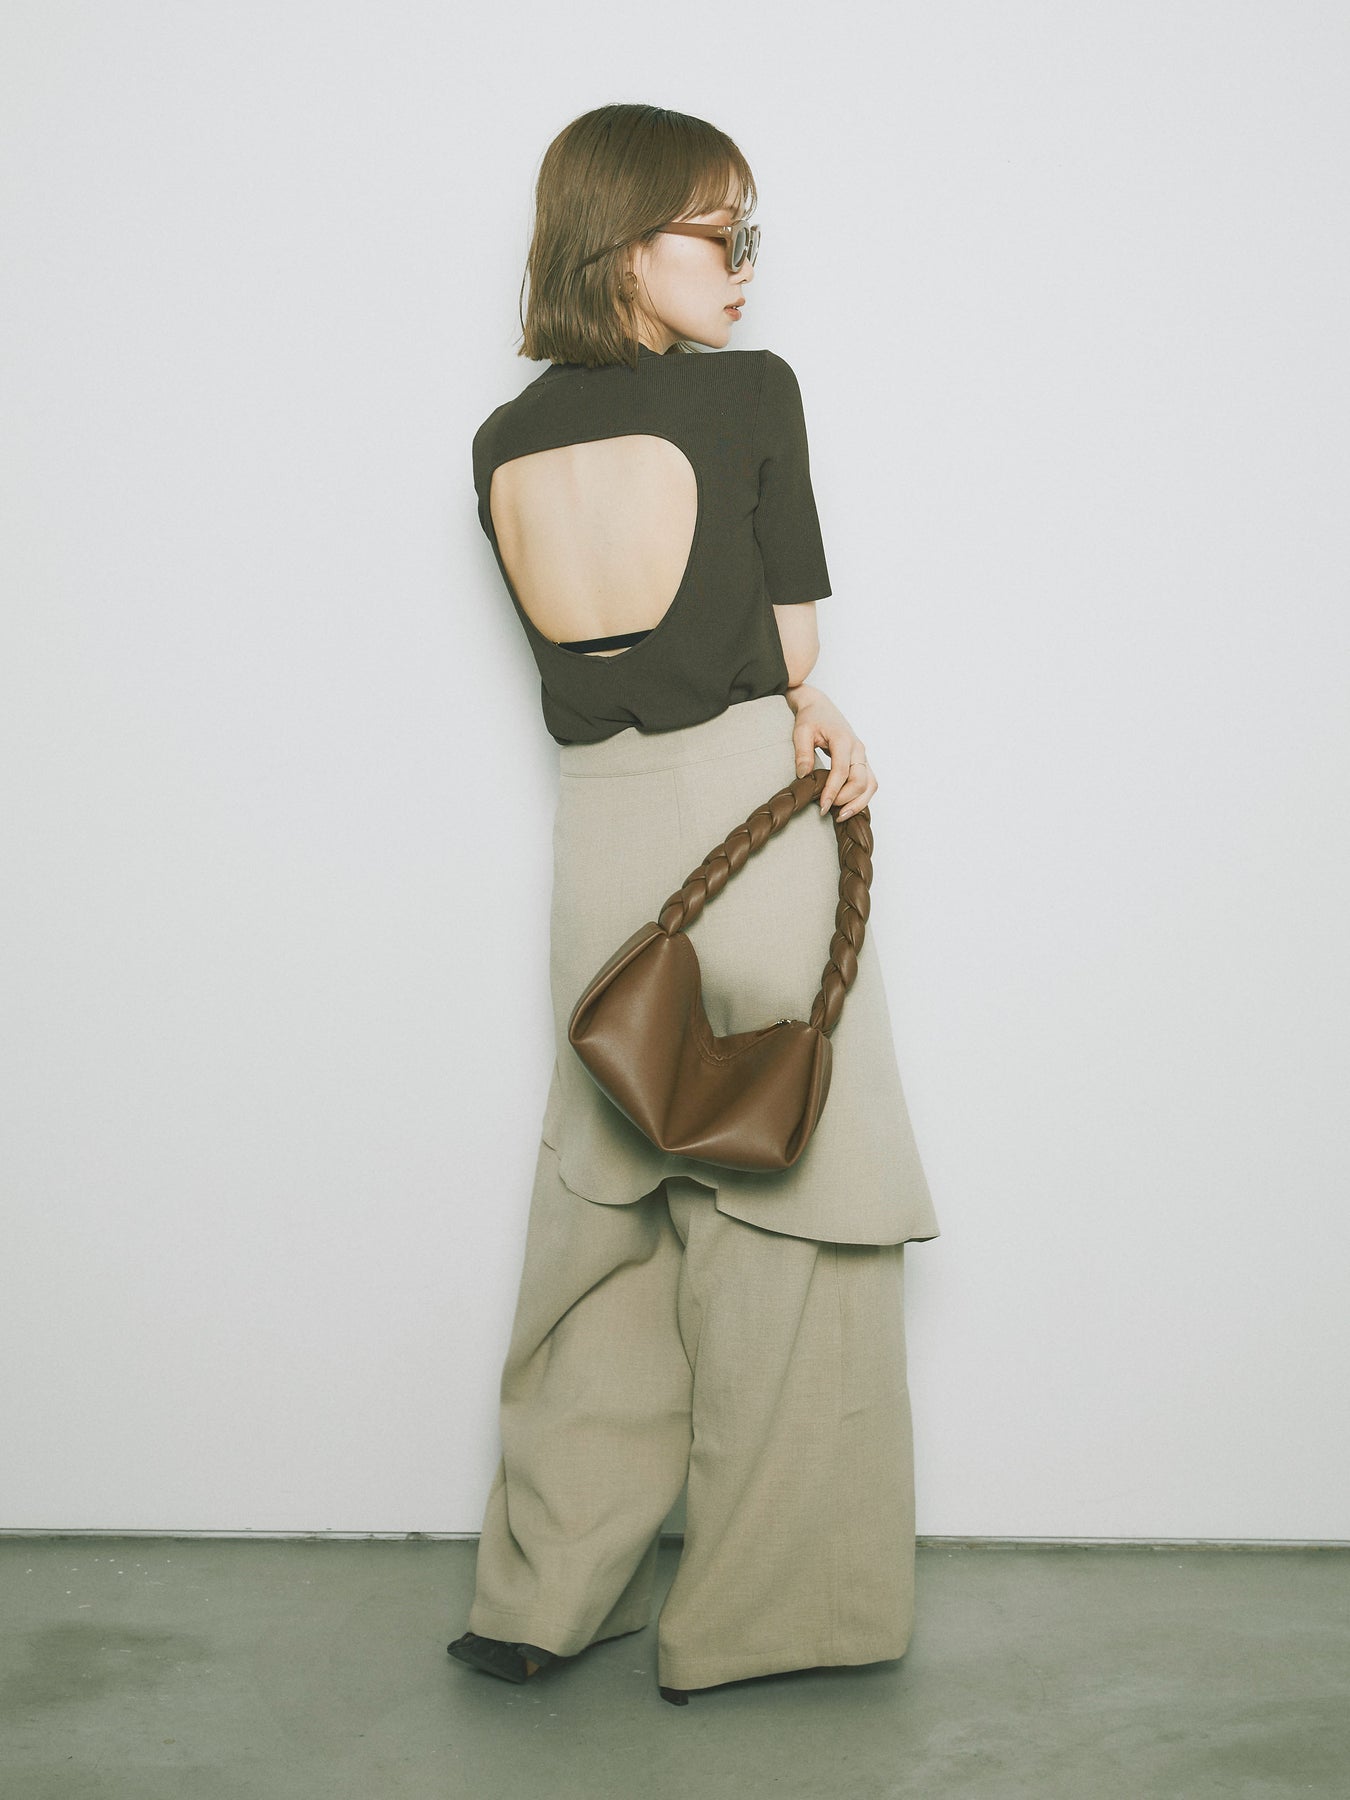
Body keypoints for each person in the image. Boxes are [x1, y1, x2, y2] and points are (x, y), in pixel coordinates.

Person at [446, 102, 940, 1707]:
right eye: (714, 233)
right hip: (747, 823)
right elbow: (785, 648)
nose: (741, 266)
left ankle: (538, 1600)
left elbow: (602, 653)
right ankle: (759, 1621)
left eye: (745, 236)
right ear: (620, 243)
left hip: (600, 847)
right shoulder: (748, 393)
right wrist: (813, 703)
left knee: (604, 1214)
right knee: (790, 1219)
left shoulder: (502, 441)